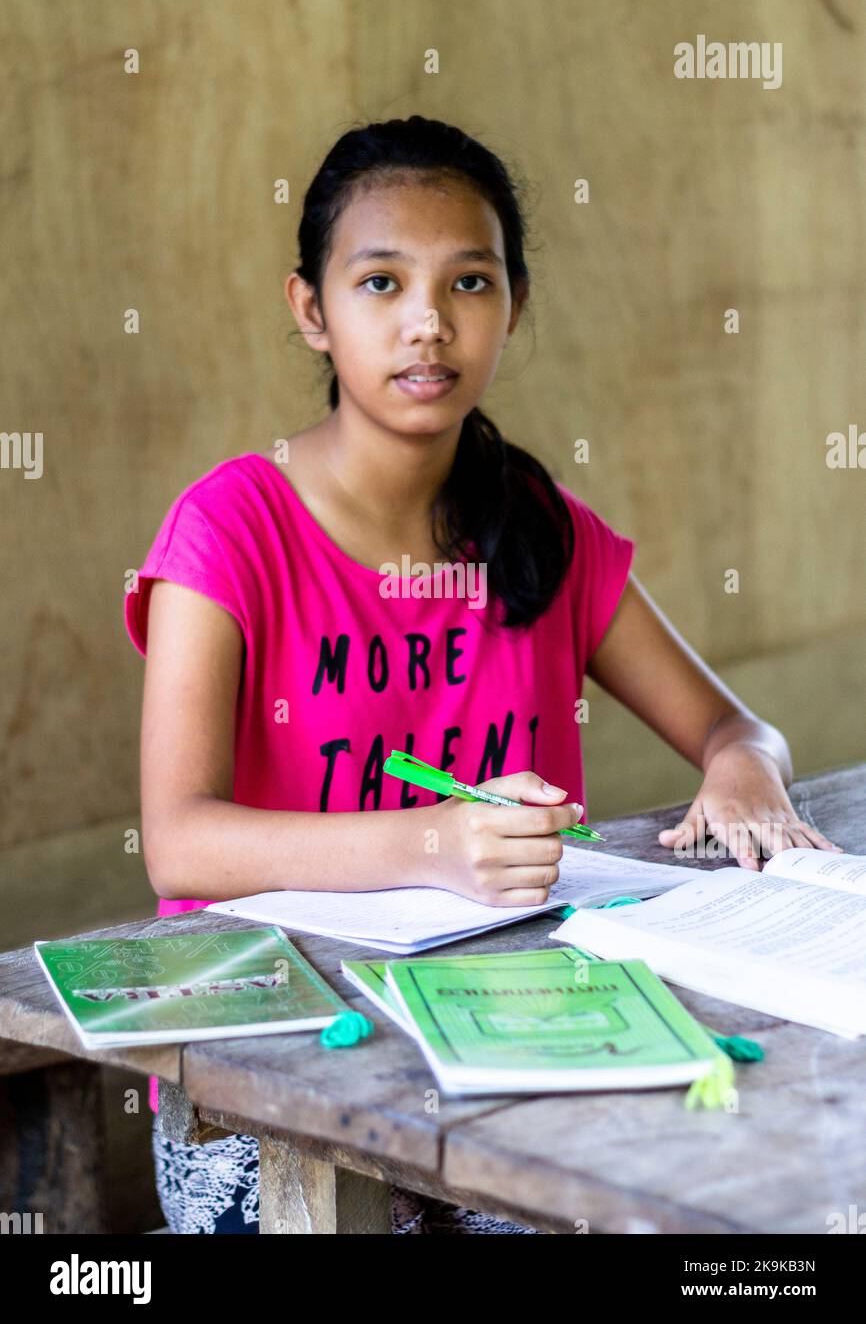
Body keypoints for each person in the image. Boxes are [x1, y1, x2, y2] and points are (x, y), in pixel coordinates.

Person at [125, 114, 841, 1234]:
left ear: (511, 307)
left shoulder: (539, 529)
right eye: (378, 282)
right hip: (280, 1062)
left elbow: (731, 729)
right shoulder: (231, 527)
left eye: (468, 281)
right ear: (310, 310)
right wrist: (431, 845)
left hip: (516, 1044)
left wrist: (744, 767)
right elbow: (179, 838)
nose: (426, 321)